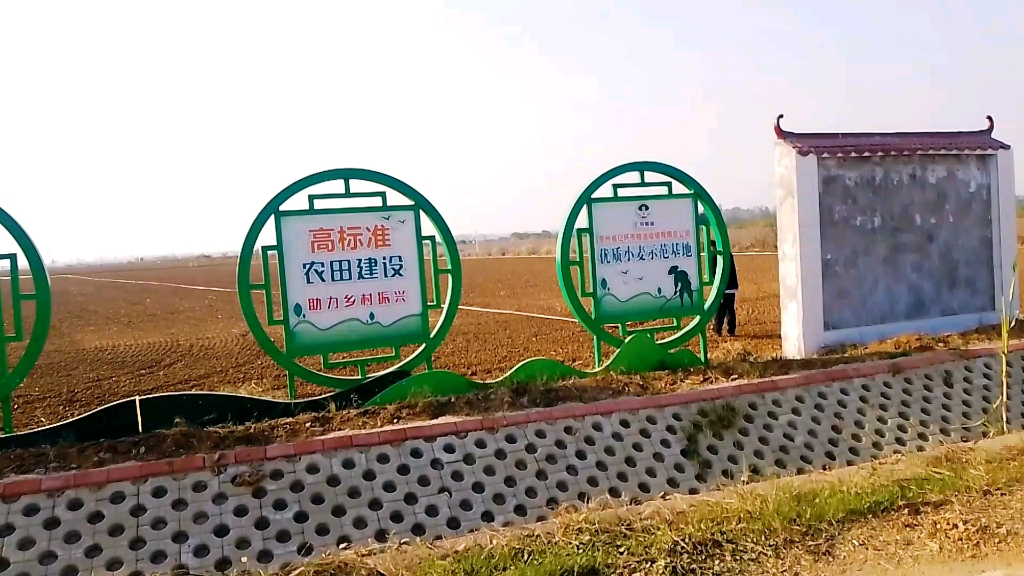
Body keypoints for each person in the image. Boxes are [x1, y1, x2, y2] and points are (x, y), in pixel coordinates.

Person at [709, 241, 739, 336]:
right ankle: (731, 330)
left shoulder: (715, 256)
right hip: (732, 286)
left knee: (720, 309)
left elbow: (714, 273)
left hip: (723, 287)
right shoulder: (728, 254)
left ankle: (717, 329)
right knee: (730, 308)